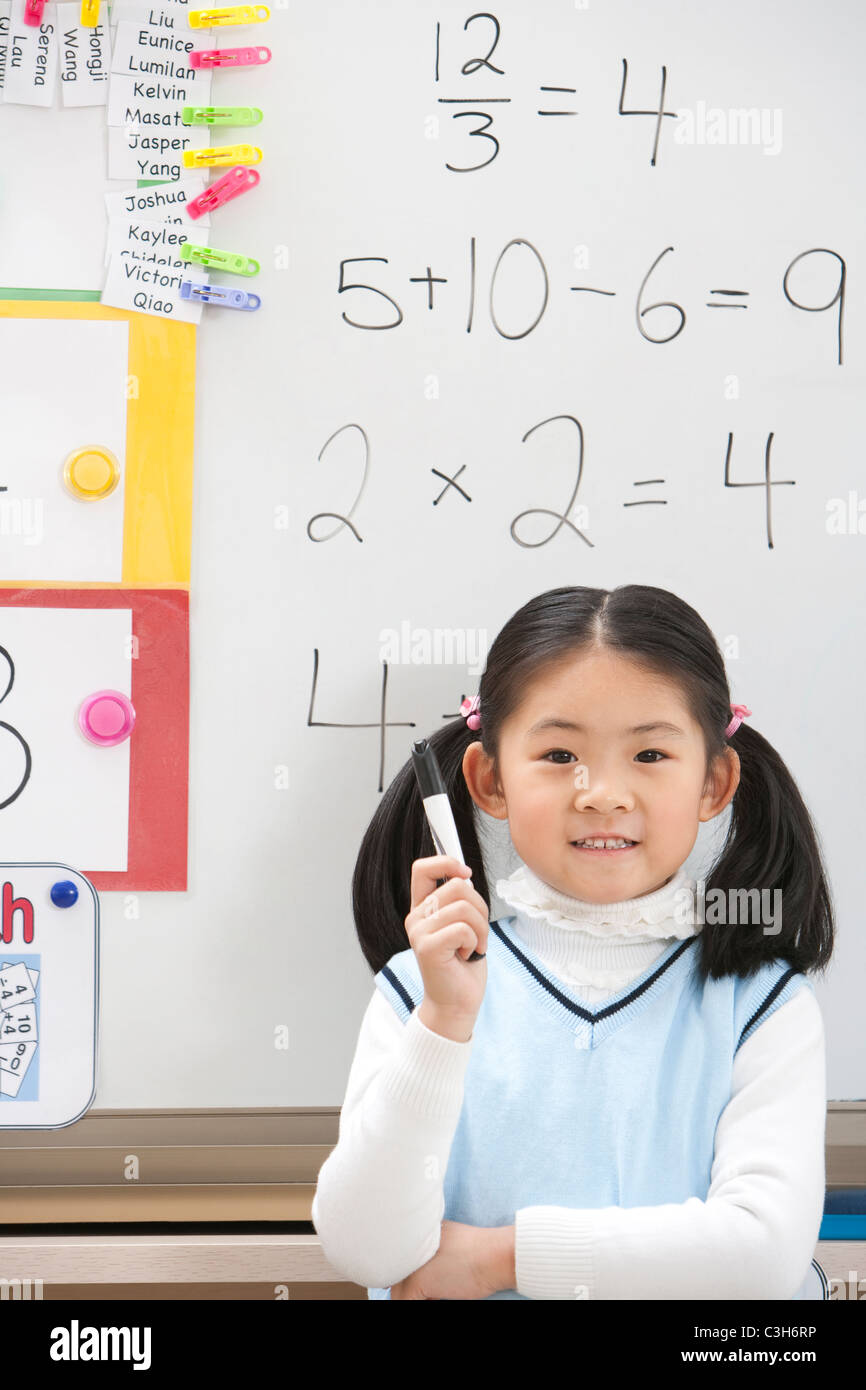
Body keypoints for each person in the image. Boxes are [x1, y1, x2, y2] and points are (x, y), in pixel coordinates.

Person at [312, 584, 833, 1299]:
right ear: (488, 781)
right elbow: (367, 1251)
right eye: (559, 755)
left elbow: (761, 1257)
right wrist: (444, 1025)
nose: (602, 793)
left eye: (650, 754)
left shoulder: (763, 1003)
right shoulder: (425, 990)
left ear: (715, 783)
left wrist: (501, 1259)